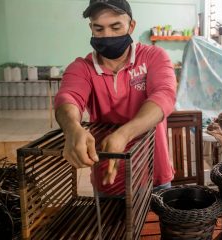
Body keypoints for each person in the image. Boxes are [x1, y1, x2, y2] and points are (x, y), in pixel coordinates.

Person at [54, 0, 176, 196]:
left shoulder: (153, 57)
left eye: (115, 27)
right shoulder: (82, 68)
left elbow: (164, 96)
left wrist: (124, 134)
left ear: (131, 25)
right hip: (109, 179)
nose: (107, 35)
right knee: (112, 226)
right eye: (99, 28)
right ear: (91, 28)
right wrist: (72, 128)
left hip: (154, 174)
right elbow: (67, 97)